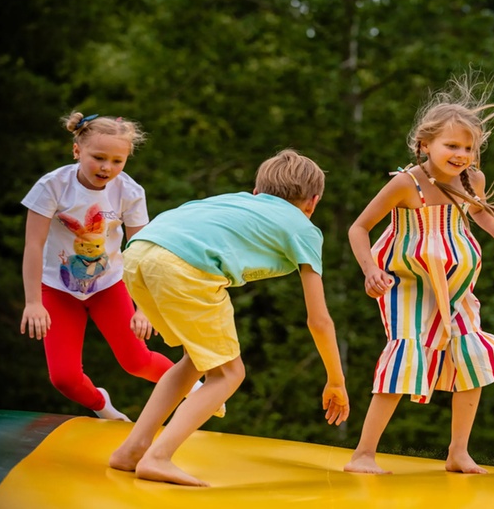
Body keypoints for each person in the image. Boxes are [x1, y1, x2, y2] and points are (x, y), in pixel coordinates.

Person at [108, 148, 349, 487]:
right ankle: (158, 457)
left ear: (257, 192)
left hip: (138, 253)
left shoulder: (236, 201)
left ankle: (132, 450)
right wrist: (336, 380)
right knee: (229, 374)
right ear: (313, 202)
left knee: (195, 359)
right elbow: (319, 320)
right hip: (182, 267)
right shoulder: (304, 228)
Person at [343, 72, 494, 475]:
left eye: (468, 148)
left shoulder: (469, 179)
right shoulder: (406, 184)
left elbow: (476, 208)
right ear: (425, 144)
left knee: (470, 354)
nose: (460, 154)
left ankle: (458, 452)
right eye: (451, 145)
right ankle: (363, 454)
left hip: (456, 284)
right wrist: (370, 269)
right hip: (407, 284)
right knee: (406, 353)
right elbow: (358, 227)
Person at [20, 111, 180, 422]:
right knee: (63, 379)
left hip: (109, 286)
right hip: (57, 288)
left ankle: (196, 388)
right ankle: (102, 405)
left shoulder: (129, 192)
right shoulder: (53, 186)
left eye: (117, 161)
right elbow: (34, 246)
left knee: (136, 362)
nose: (107, 167)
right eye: (98, 157)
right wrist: (32, 302)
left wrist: (145, 307)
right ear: (77, 150)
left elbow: (142, 251)